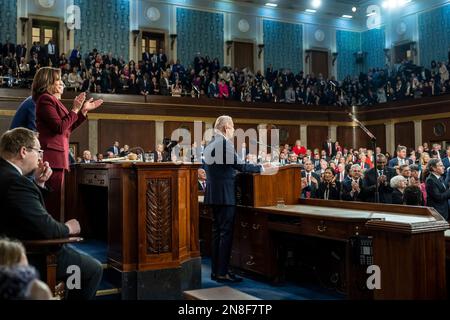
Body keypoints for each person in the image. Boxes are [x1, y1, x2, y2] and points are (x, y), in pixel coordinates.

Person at [0, 128, 103, 299]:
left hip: (14, 245)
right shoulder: (16, 183)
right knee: (89, 270)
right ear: (24, 151)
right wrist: (69, 228)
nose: (41, 156)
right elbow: (47, 229)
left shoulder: (10, 176)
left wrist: (39, 183)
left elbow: (23, 211)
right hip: (32, 254)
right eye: (38, 151)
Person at [34, 67, 103, 220]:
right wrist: (75, 109)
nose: (62, 83)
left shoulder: (54, 101)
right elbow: (59, 127)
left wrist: (82, 111)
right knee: (52, 203)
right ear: (48, 82)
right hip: (52, 158)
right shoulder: (45, 99)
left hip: (58, 157)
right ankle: (51, 239)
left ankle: (55, 237)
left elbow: (67, 128)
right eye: (58, 80)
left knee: (57, 202)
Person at [203, 116, 264, 283]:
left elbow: (220, 168)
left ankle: (216, 271)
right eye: (232, 126)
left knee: (217, 234)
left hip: (214, 194)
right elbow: (241, 166)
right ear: (225, 128)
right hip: (225, 195)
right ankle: (223, 273)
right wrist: (263, 167)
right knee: (225, 235)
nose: (233, 130)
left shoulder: (210, 144)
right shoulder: (224, 144)